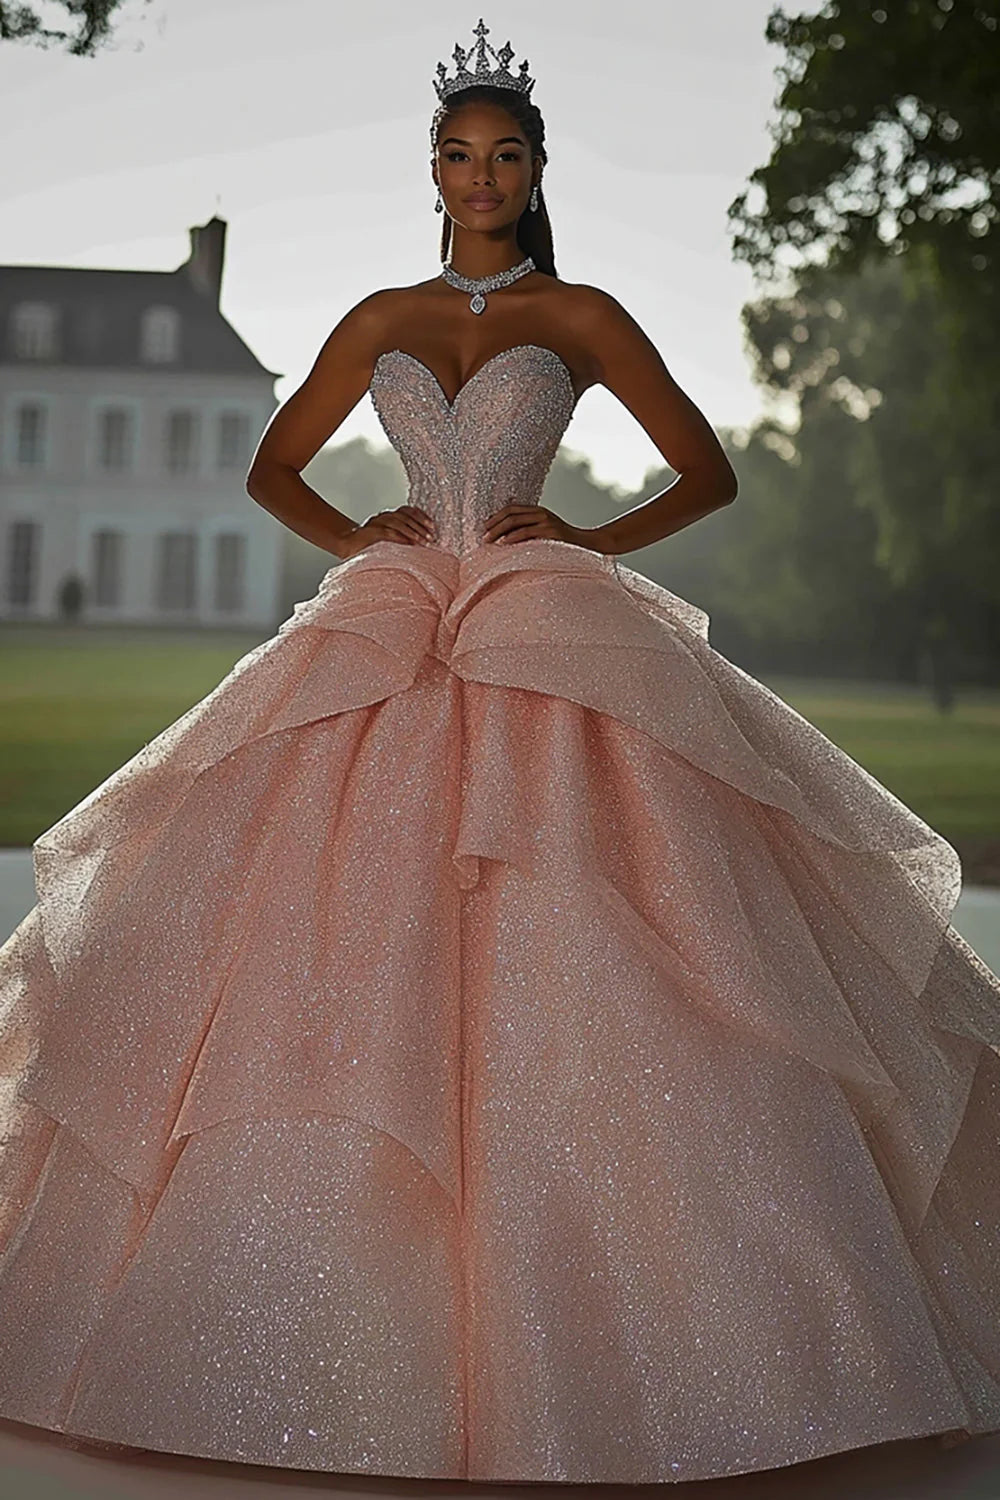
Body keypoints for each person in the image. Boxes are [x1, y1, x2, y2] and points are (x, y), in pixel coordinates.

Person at [0, 17, 998, 1488]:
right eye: (459, 157)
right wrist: (361, 537)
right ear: (434, 170)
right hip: (395, 621)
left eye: (505, 155)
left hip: (543, 623)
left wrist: (592, 538)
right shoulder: (381, 315)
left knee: (609, 907)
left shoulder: (582, 315)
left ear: (536, 171)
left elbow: (704, 466)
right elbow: (274, 461)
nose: (481, 178)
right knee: (322, 914)